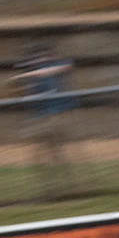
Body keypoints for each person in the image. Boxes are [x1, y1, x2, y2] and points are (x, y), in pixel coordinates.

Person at [10, 43, 78, 199]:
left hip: (58, 115)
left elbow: (60, 69)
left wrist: (27, 75)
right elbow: (28, 98)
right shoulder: (32, 76)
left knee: (59, 154)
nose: (40, 61)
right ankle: (49, 190)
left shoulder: (59, 65)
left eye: (43, 57)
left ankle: (69, 187)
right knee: (40, 156)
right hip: (40, 118)